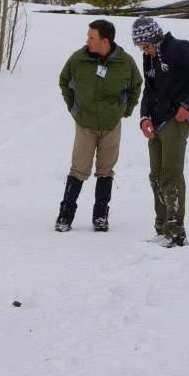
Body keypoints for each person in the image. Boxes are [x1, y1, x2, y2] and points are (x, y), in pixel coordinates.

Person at [132, 16, 189, 247]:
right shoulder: (149, 58)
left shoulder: (180, 48)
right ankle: (162, 229)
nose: (144, 51)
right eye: (141, 47)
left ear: (154, 39)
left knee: (171, 174)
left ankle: (176, 232)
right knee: (156, 175)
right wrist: (144, 117)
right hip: (156, 121)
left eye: (145, 46)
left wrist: (188, 104)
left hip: (176, 120)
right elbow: (149, 90)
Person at [55, 19, 142, 232]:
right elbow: (64, 81)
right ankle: (65, 216)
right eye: (88, 36)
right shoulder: (78, 59)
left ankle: (100, 216)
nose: (87, 41)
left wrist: (125, 110)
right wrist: (74, 108)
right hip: (85, 124)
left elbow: (136, 86)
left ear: (105, 41)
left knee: (105, 170)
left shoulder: (125, 62)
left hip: (111, 125)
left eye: (91, 37)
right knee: (79, 169)